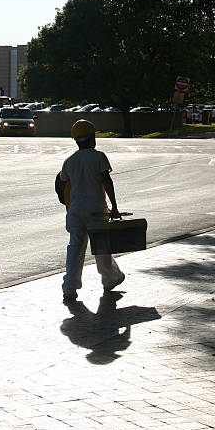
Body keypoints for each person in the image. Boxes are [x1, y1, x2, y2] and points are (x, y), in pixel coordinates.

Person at [59, 119, 125, 303]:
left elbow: (63, 182)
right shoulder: (99, 157)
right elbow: (107, 181)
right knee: (101, 247)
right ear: (90, 138)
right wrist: (115, 206)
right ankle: (109, 278)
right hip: (96, 210)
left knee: (75, 249)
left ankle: (69, 288)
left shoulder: (69, 161)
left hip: (75, 211)